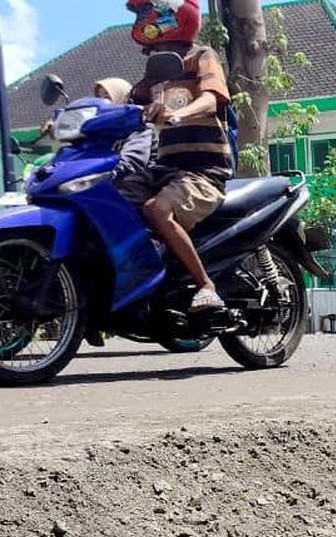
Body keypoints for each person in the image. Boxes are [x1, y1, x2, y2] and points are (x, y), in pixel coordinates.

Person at [122, 0, 234, 313]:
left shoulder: (201, 56)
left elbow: (211, 99)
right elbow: (129, 102)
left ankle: (206, 286)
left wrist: (177, 113)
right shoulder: (156, 70)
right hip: (165, 167)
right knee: (110, 199)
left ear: (176, 15)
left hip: (204, 171)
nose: (146, 18)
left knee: (156, 210)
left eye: (151, 12)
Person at [93, 78, 155, 182]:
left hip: (134, 183)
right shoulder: (103, 132)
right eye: (100, 98)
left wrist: (99, 173)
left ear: (121, 97)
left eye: (107, 97)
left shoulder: (139, 126)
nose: (104, 103)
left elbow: (131, 160)